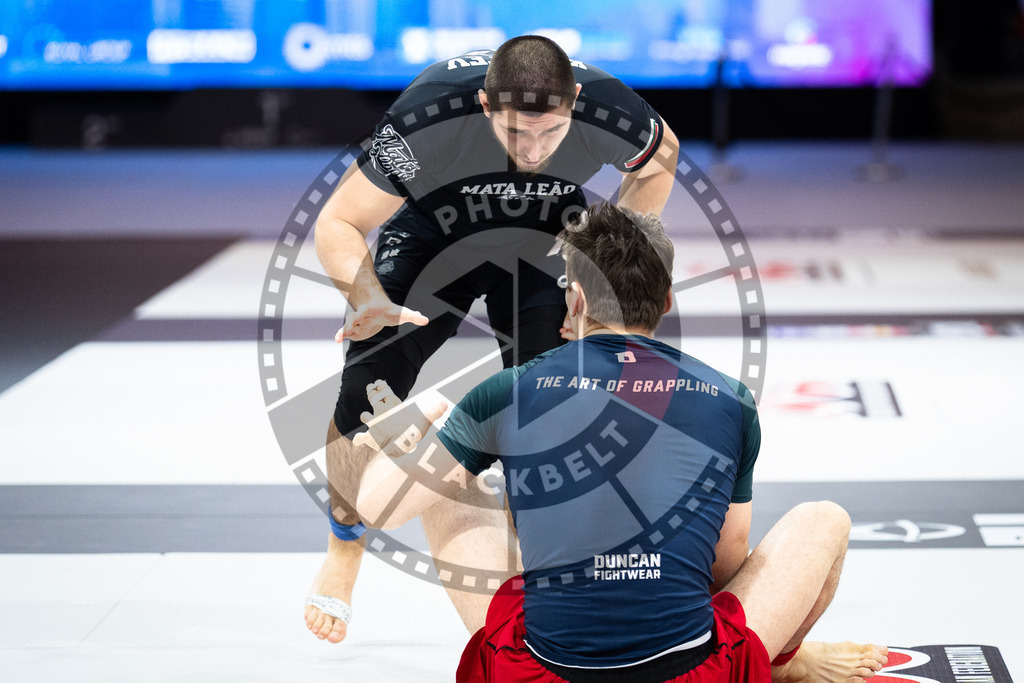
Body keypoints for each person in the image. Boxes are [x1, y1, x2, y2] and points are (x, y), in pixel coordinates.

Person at [352, 203, 889, 682]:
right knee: (825, 519)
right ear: (668, 299)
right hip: (693, 674)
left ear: (578, 298)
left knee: (445, 483)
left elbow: (374, 508)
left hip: (541, 673)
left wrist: (418, 418)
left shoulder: (512, 388)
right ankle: (783, 668)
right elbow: (723, 572)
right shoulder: (731, 397)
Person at [306, 34, 680, 644]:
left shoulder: (613, 109)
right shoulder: (428, 115)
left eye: (549, 133)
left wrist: (606, 265)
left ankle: (536, 571)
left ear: (577, 103)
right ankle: (344, 550)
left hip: (541, 242)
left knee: (553, 405)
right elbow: (340, 219)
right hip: (434, 237)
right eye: (515, 133)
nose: (533, 150)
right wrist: (367, 297)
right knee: (364, 386)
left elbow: (661, 156)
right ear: (483, 105)